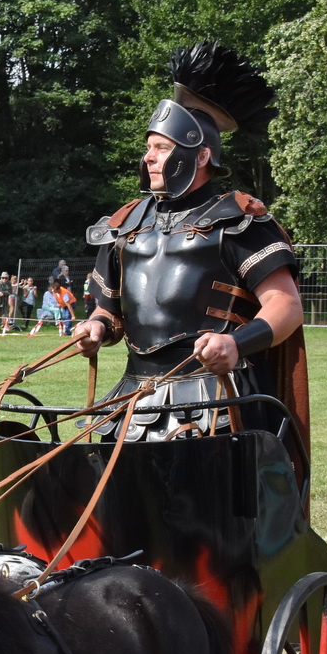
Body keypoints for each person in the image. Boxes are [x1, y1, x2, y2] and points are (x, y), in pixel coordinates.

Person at [73, 41, 307, 449]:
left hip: (221, 398)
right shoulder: (126, 223)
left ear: (200, 157)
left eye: (162, 148)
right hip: (135, 397)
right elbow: (109, 310)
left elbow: (285, 305)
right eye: (149, 147)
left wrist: (235, 343)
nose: (148, 157)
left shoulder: (237, 220)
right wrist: (97, 327)